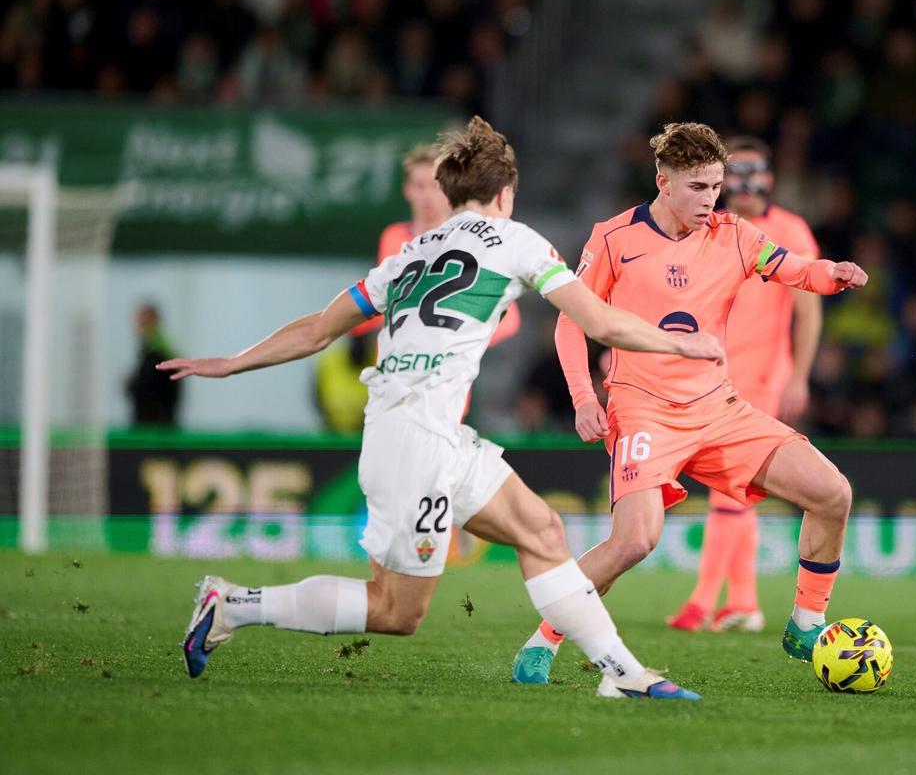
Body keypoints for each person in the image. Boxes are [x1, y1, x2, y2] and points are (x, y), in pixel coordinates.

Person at [163, 117, 726, 700]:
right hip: (417, 441)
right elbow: (601, 321)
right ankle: (232, 605)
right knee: (394, 609)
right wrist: (684, 342)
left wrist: (233, 361)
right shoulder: (516, 240)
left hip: (425, 432)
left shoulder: (407, 255)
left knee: (541, 529)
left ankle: (624, 674)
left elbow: (315, 331)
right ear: (505, 194)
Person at [511, 122, 867, 685]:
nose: (711, 199)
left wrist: (833, 274)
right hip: (643, 409)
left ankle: (806, 621)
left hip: (718, 408)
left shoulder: (736, 235)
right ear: (664, 181)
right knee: (634, 541)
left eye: (716, 187)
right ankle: (543, 640)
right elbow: (570, 325)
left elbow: (796, 270)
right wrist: (583, 397)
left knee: (832, 493)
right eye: (698, 187)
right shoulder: (613, 238)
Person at [666, 136, 823, 633]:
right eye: (735, 172)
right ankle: (744, 603)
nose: (744, 184)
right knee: (734, 492)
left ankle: (702, 601)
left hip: (760, 376)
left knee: (726, 494)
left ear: (771, 178)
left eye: (754, 172)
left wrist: (798, 375)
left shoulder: (790, 230)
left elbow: (808, 309)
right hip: (710, 373)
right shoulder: (710, 229)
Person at [369, 144, 520, 346]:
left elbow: (509, 320)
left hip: (444, 368)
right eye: (419, 186)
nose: (427, 196)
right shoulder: (393, 237)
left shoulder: (471, 241)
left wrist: (457, 341)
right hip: (395, 362)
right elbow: (387, 299)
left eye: (435, 186)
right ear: (407, 189)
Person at [126, 303, 182, 426]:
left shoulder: (158, 356)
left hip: (155, 430)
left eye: (143, 322)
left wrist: (132, 386)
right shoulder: (158, 352)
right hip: (157, 426)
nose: (138, 327)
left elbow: (148, 390)